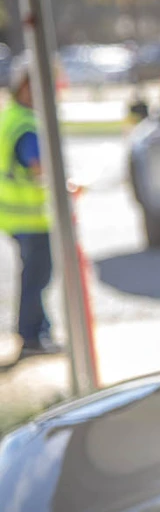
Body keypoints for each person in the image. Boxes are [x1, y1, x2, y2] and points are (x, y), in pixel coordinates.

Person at [0, 63, 59, 359]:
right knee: (38, 277)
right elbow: (38, 168)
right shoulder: (26, 124)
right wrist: (66, 185)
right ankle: (31, 336)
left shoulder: (11, 116)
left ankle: (40, 329)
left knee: (34, 275)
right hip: (32, 217)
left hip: (15, 216)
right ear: (26, 87)